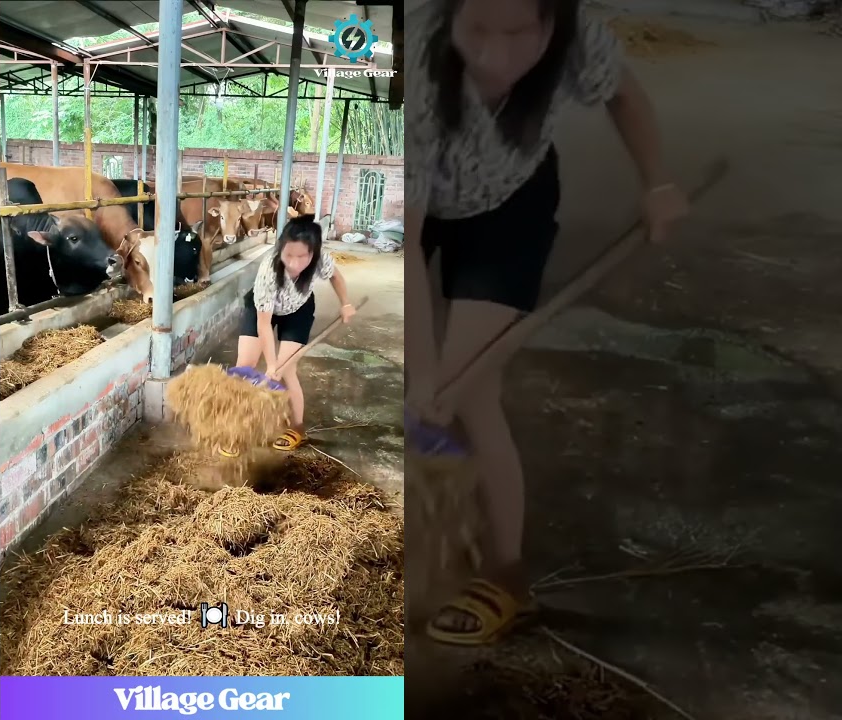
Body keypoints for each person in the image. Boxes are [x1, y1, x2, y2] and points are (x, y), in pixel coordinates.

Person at [406, 0, 690, 646]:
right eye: (477, 29)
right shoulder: (418, 65)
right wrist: (420, 369)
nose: (496, 56)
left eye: (517, 33)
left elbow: (625, 94)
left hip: (512, 202)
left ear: (551, 22)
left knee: (468, 390)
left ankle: (507, 579)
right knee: (422, 382)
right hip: (422, 205)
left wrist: (657, 182)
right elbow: (408, 239)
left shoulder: (578, 35)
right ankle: (429, 542)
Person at [222, 215, 355, 456]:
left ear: (313, 253)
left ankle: (296, 428)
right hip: (263, 308)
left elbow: (336, 276)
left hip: (298, 309)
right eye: (288, 255)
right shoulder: (268, 271)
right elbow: (264, 325)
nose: (293, 263)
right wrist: (270, 364)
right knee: (244, 368)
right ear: (281, 248)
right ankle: (236, 430)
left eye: (301, 256)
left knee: (287, 370)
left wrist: (345, 304)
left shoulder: (321, 261)